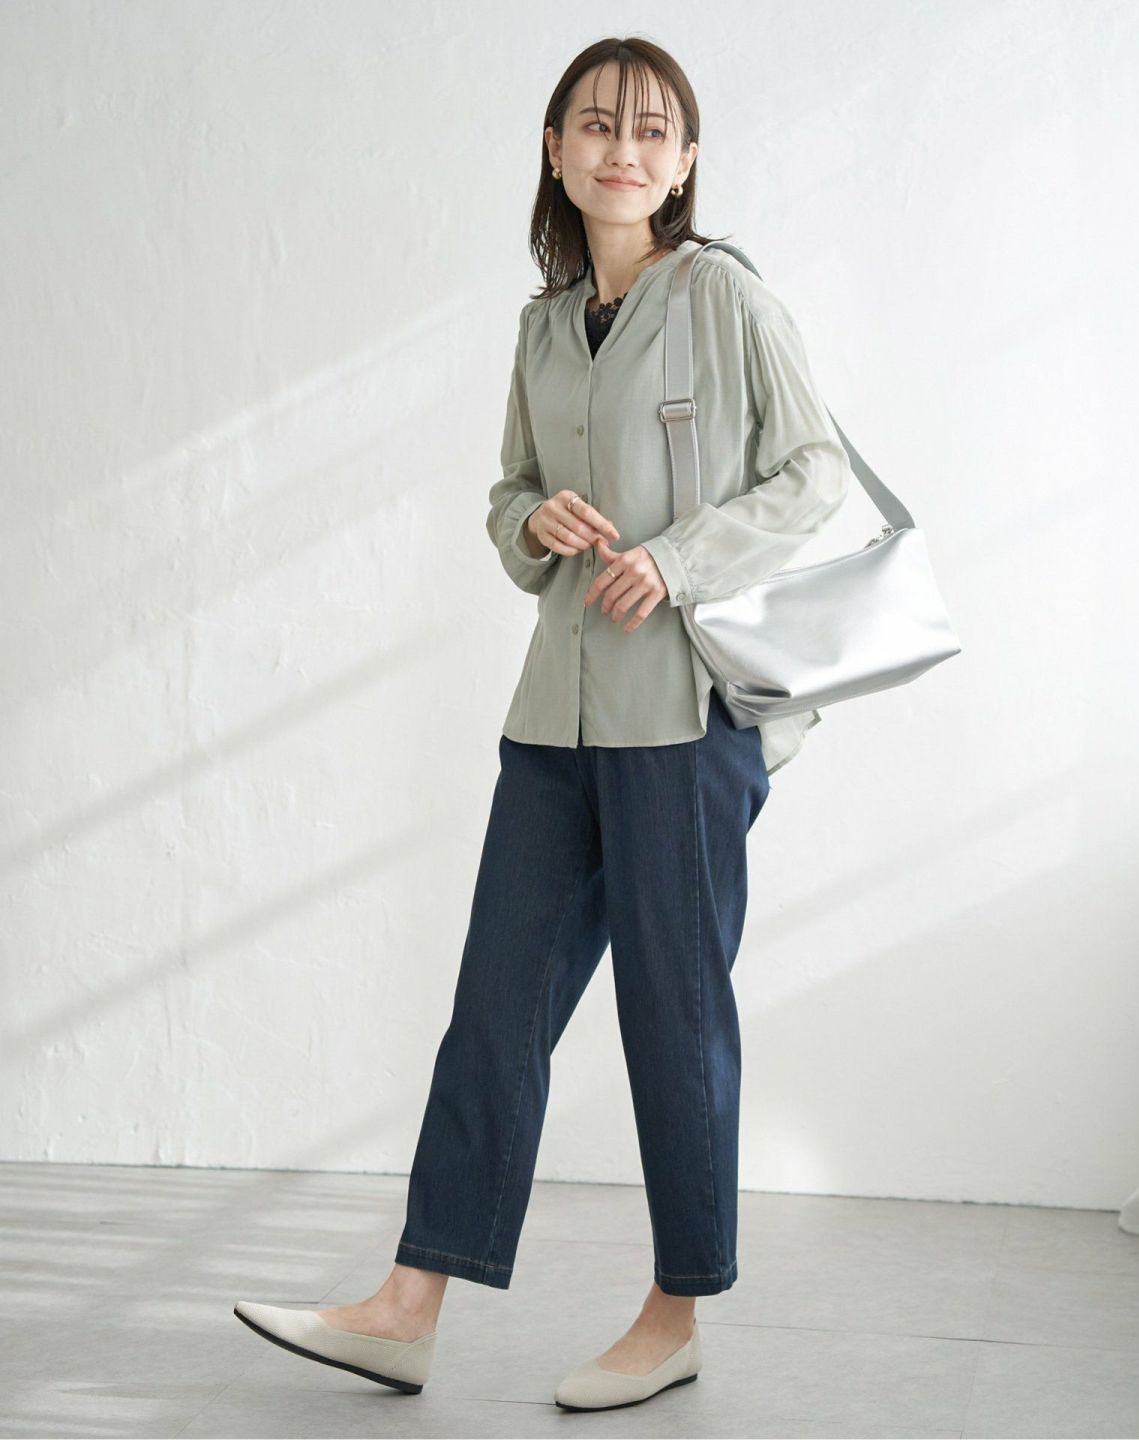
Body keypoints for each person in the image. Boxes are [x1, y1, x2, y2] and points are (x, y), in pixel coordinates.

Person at [234, 34, 852, 1412]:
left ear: (685, 164)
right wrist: (536, 522)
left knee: (672, 1019)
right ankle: (408, 1306)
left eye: (652, 129)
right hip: (554, 721)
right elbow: (508, 494)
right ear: (557, 153)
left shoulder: (726, 298)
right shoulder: (542, 325)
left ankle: (676, 1313)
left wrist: (677, 559)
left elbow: (815, 474)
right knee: (494, 1012)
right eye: (597, 125)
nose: (623, 148)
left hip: (684, 722)